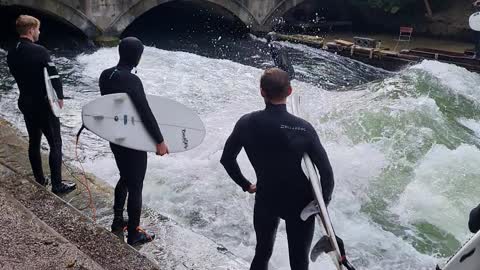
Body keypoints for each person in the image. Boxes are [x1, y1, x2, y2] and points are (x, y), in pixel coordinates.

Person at [220, 68, 334, 270]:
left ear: (262, 92)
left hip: (266, 198)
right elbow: (326, 174)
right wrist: (320, 205)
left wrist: (246, 185)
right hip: (300, 205)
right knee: (299, 263)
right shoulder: (303, 128)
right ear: (289, 91)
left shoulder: (246, 123)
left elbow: (227, 159)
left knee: (262, 253)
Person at [99, 37, 169, 245]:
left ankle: (118, 221)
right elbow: (145, 113)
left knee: (125, 176)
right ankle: (134, 234)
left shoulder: (105, 75)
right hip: (132, 138)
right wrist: (159, 141)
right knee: (136, 185)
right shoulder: (132, 80)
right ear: (137, 57)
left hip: (115, 135)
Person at [7, 15, 76, 194]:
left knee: (34, 141)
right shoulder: (40, 51)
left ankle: (39, 179)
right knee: (55, 143)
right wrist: (59, 97)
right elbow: (53, 76)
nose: (39, 32)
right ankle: (57, 185)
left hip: (25, 101)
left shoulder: (12, 51)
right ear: (31, 30)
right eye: (37, 29)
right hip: (43, 104)